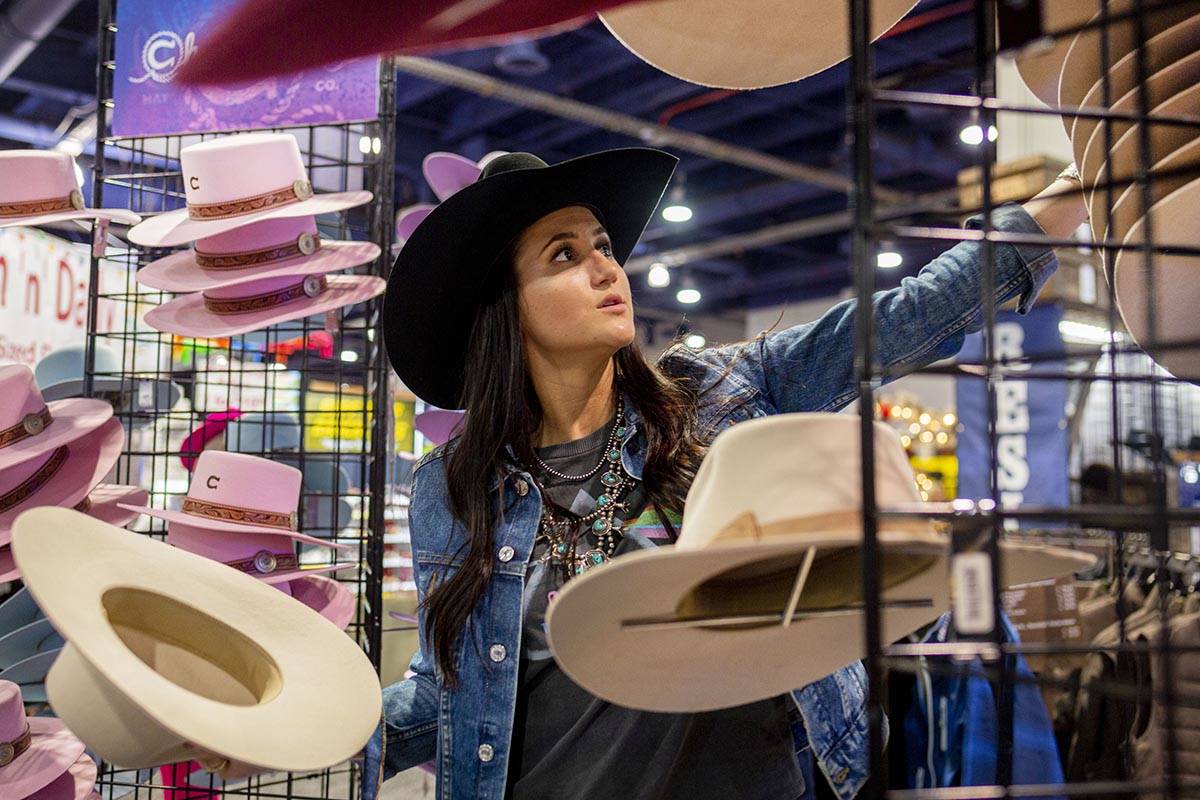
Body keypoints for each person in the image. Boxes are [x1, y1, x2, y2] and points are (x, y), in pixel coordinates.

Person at [367, 148, 1088, 800]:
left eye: (604, 246)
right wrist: (308, 733)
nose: (605, 268)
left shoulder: (719, 395)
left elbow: (911, 316)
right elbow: (444, 693)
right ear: (506, 308)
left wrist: (1079, 187)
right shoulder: (454, 488)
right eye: (563, 255)